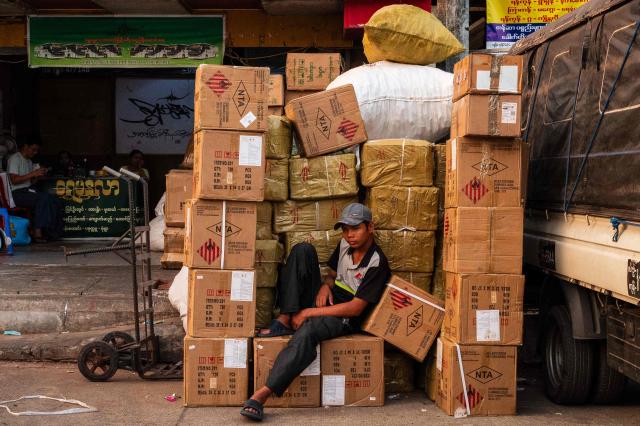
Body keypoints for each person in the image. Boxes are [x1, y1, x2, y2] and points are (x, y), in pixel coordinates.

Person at [240, 203, 391, 422]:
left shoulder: (377, 263)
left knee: (309, 330)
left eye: (356, 228)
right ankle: (285, 318)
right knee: (303, 250)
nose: (350, 235)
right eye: (346, 229)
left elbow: (356, 307)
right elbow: (331, 274)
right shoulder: (344, 245)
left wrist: (309, 313)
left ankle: (261, 395)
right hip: (328, 299)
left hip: (345, 317)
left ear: (370, 227)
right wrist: (326, 285)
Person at [7, 140, 63, 242]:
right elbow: (14, 180)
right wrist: (33, 174)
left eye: (37, 150)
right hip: (16, 193)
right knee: (43, 198)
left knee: (54, 200)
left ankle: (52, 232)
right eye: (33, 150)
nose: (35, 152)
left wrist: (38, 175)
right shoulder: (15, 158)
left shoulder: (29, 161)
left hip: (28, 190)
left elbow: (29, 181)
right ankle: (38, 233)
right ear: (25, 146)